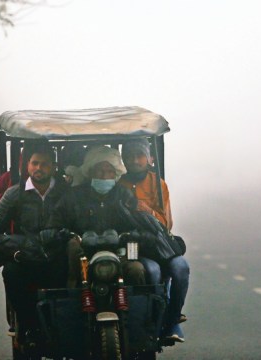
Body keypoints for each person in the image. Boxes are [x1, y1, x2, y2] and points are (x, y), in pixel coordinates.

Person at [0, 144, 70, 340]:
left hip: (57, 256)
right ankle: (28, 326)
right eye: (35, 163)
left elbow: (77, 223)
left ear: (53, 166)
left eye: (45, 164)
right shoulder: (14, 193)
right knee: (11, 273)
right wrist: (19, 244)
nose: (39, 168)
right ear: (28, 166)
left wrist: (60, 235)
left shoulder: (65, 192)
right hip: (26, 257)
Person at [45, 145, 149, 288]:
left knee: (136, 269)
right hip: (82, 257)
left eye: (109, 171)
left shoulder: (125, 195)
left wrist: (132, 239)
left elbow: (139, 227)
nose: (104, 175)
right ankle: (72, 297)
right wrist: (67, 237)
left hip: (118, 255)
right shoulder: (73, 196)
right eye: (100, 170)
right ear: (90, 172)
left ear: (116, 174)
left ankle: (136, 308)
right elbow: (54, 225)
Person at [120, 138, 189, 343]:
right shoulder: (119, 184)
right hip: (136, 248)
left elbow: (165, 221)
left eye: (139, 155)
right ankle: (153, 320)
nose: (135, 160)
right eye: (130, 156)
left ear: (150, 159)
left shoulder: (158, 184)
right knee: (152, 271)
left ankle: (173, 318)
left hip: (159, 245)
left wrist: (144, 209)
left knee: (180, 268)